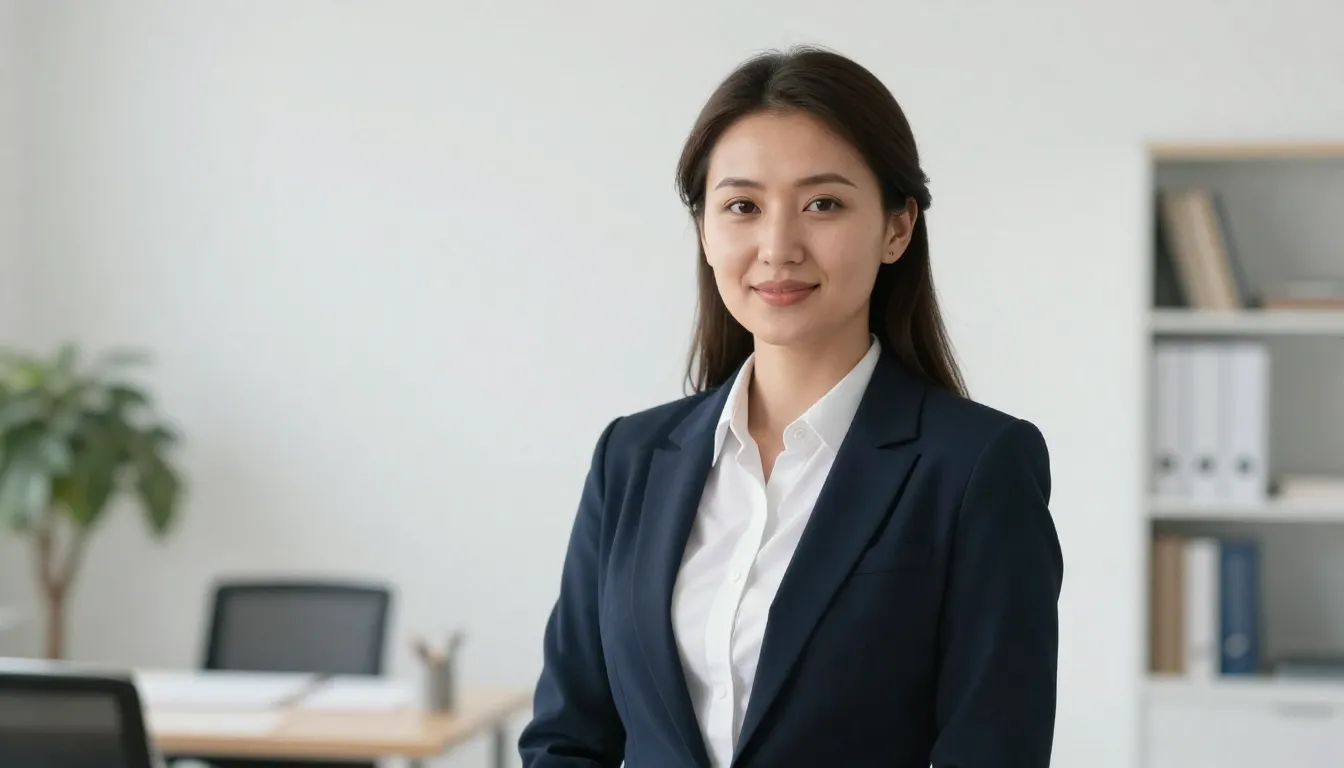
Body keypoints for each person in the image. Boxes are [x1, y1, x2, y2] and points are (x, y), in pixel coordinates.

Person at [518, 45, 1064, 768]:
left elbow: (993, 750)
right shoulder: (632, 458)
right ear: (706, 230)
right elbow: (567, 737)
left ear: (897, 228)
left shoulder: (977, 468)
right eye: (742, 206)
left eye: (823, 205)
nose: (777, 247)